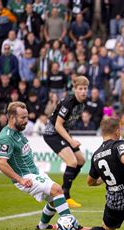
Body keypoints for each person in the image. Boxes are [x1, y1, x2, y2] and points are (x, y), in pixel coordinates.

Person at [0, 102, 76, 230]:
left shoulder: (18, 131)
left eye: (27, 117)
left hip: (34, 171)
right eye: (22, 118)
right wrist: (20, 180)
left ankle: (42, 226)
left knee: (54, 200)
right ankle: (71, 226)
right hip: (25, 177)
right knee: (58, 190)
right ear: (11, 117)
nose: (26, 121)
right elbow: (1, 163)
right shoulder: (6, 138)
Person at [43, 76, 89, 208]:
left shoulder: (82, 103)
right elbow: (58, 125)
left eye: (85, 89)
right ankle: (65, 196)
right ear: (74, 89)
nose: (83, 91)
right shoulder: (68, 102)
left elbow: (67, 124)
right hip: (52, 134)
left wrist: (70, 138)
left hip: (63, 134)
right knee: (72, 162)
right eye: (80, 89)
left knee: (81, 161)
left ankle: (62, 190)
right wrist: (71, 140)